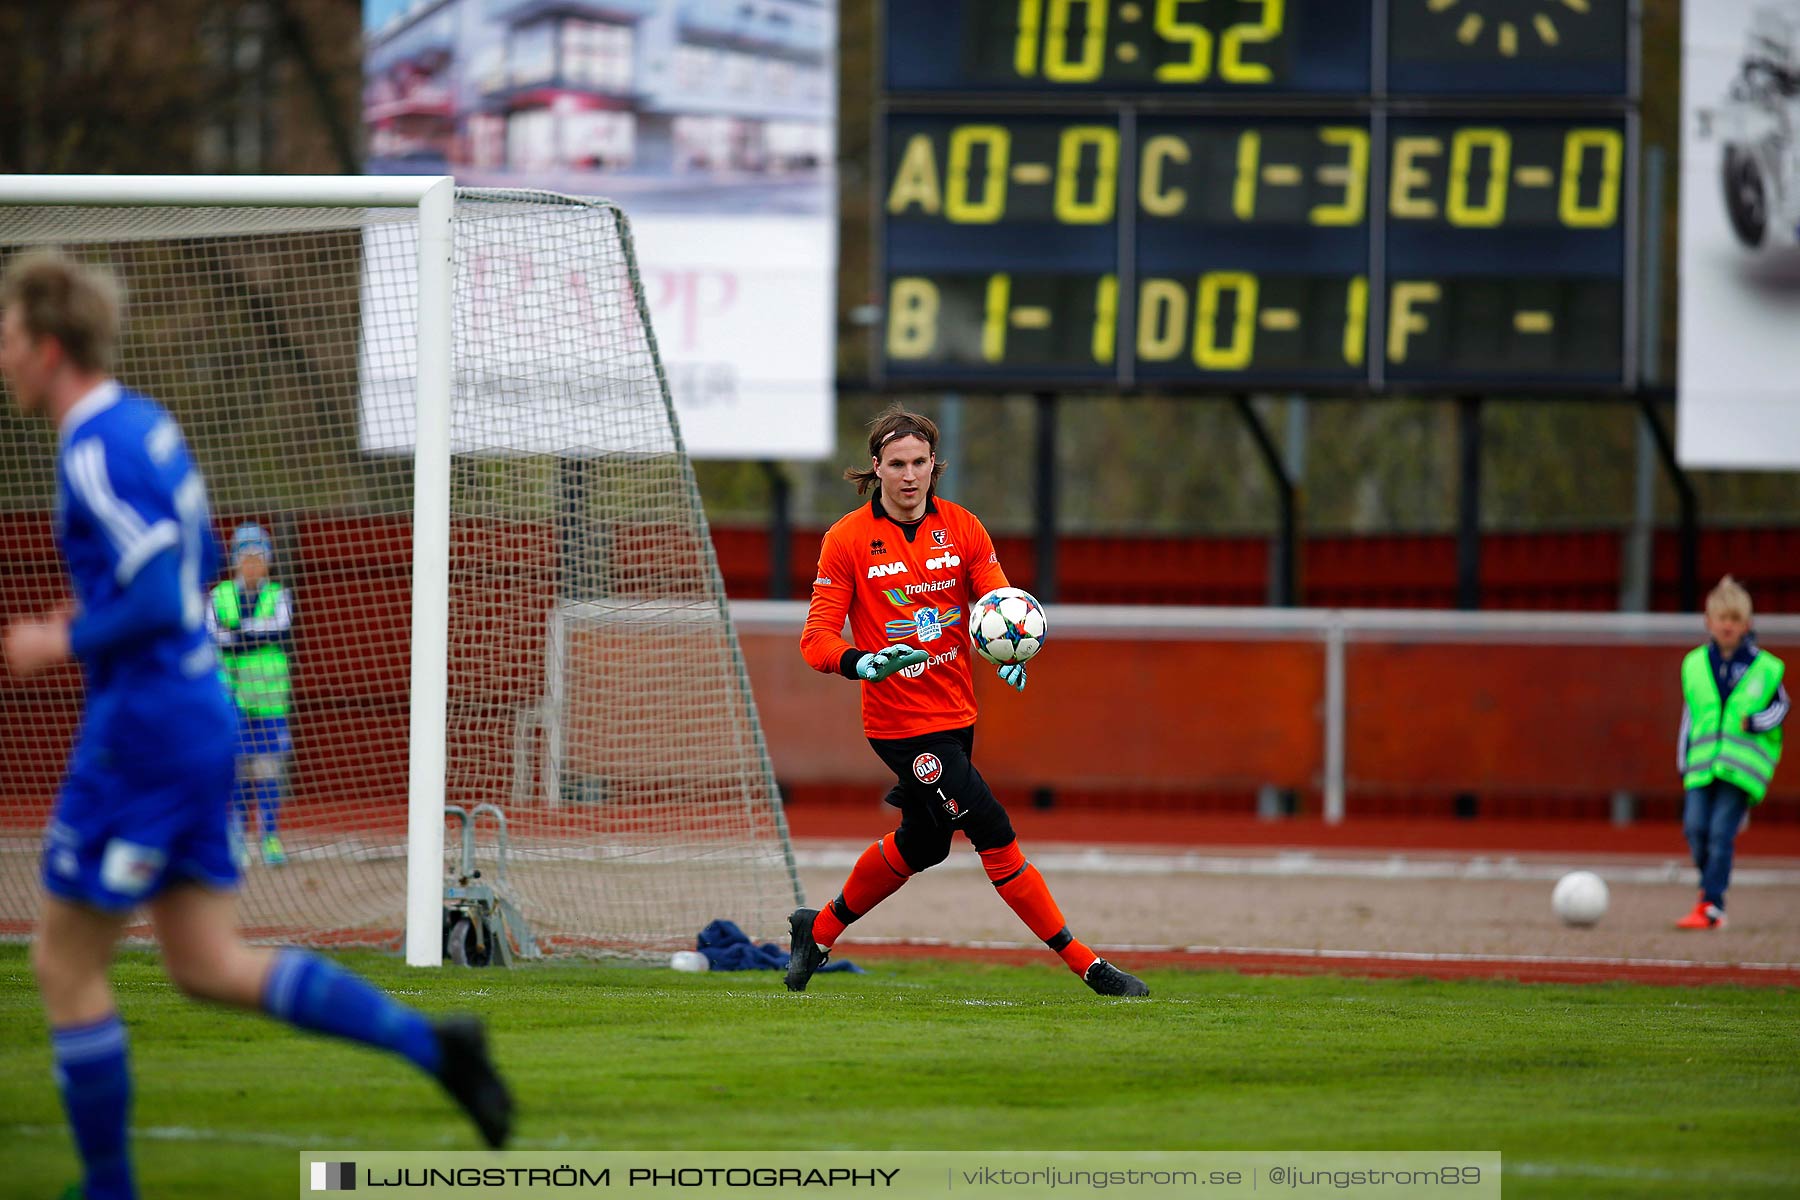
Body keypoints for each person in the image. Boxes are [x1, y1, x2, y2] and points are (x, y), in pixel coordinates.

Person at [0, 252, 511, 1199]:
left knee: (63, 958)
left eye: (8, 338)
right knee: (204, 961)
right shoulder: (146, 425)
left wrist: (56, 637)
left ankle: (106, 1186)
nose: (3, 358)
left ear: (45, 344)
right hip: (194, 714)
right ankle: (433, 1043)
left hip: (144, 730)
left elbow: (157, 592)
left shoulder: (93, 444)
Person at [787, 404, 1148, 997]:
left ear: (935, 465)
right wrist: (862, 662)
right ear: (876, 468)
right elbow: (816, 638)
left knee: (925, 844)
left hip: (957, 715)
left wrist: (1010, 653)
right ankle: (1090, 966)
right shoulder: (848, 539)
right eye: (896, 463)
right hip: (900, 726)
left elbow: (999, 605)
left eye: (920, 462)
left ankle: (817, 929)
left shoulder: (963, 528)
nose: (909, 475)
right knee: (992, 831)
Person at [1675, 575, 1787, 930]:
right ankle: (1708, 888)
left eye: (1735, 620)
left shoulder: (1763, 667)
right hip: (1702, 766)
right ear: (1708, 622)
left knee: (1721, 833)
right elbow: (1689, 716)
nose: (1728, 626)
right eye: (1722, 619)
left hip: (1740, 769)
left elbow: (1781, 707)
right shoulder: (1695, 665)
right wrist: (1683, 762)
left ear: (1747, 625)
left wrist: (1754, 722)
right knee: (1695, 829)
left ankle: (1712, 904)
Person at [208, 522, 294, 866]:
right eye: (246, 557)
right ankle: (237, 836)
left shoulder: (278, 595)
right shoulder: (219, 596)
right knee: (238, 767)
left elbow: (280, 629)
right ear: (234, 560)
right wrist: (248, 635)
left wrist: (239, 633)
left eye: (260, 557)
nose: (253, 564)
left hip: (271, 699)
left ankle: (269, 835)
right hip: (232, 696)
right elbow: (215, 635)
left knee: (270, 768)